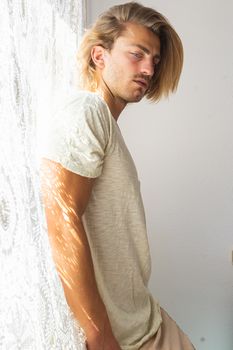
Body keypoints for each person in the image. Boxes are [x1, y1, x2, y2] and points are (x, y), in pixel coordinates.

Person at [40, 2, 195, 349]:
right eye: (137, 54)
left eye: (154, 60)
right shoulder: (87, 110)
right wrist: (98, 333)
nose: (148, 68)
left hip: (142, 320)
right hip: (121, 337)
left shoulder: (105, 124)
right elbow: (61, 219)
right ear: (100, 56)